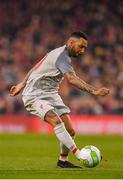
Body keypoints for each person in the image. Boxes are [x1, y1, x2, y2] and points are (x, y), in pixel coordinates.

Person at [10, 31, 109, 168]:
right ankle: (80, 155)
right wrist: (94, 91)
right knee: (56, 121)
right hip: (34, 95)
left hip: (51, 94)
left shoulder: (58, 53)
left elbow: (36, 67)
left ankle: (62, 161)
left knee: (70, 130)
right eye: (81, 46)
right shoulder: (61, 57)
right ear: (71, 42)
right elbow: (72, 79)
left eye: (85, 48)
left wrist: (22, 83)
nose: (83, 51)